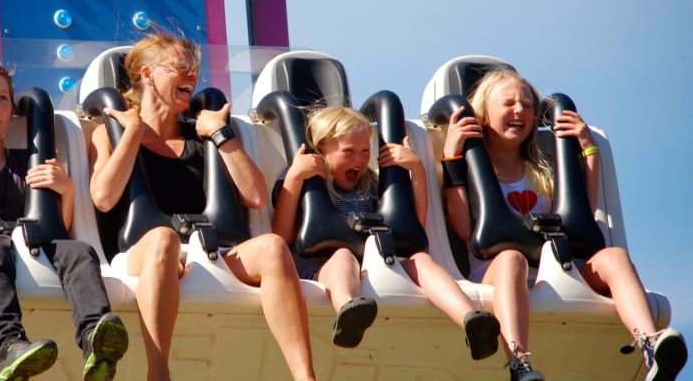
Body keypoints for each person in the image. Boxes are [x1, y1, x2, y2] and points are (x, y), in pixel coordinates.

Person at [88, 31, 316, 381]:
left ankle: (305, 376)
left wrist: (221, 134)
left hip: (209, 249)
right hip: (144, 252)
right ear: (148, 74)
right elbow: (103, 198)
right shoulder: (113, 133)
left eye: (196, 67)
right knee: (163, 238)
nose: (192, 75)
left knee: (272, 247)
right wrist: (133, 134)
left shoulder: (202, 135)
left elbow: (254, 196)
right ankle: (158, 372)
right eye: (181, 66)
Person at [443, 69, 688, 381]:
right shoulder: (474, 170)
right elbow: (464, 228)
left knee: (614, 257)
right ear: (484, 115)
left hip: (557, 270)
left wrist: (587, 147)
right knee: (511, 259)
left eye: (527, 105)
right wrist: (450, 157)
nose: (519, 110)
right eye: (508, 103)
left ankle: (651, 343)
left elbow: (580, 213)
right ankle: (519, 363)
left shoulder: (542, 171)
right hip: (500, 272)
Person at [0, 61, 128, 381]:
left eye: (3, 99)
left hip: (30, 251)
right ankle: (9, 346)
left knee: (81, 252)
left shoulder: (25, 164)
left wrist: (67, 192)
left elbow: (59, 232)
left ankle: (95, 341)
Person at [271, 105, 500, 358]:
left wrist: (417, 169)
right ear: (322, 148)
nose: (358, 161)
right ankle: (349, 309)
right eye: (348, 151)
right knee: (343, 257)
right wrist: (293, 178)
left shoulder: (368, 183)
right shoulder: (305, 179)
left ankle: (470, 318)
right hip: (321, 268)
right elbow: (281, 236)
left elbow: (413, 228)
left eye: (364, 152)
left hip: (375, 265)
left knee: (421, 260)